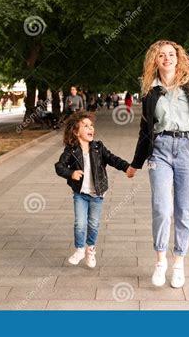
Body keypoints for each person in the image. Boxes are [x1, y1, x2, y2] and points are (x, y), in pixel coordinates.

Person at [128, 40, 189, 288]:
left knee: (184, 211)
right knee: (161, 208)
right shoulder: (149, 91)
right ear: (154, 61)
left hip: (188, 150)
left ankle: (178, 264)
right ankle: (160, 262)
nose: (166, 58)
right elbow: (145, 130)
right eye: (161, 55)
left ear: (178, 58)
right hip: (160, 151)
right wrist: (136, 163)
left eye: (170, 54)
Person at [55, 112, 134, 268]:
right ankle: (79, 249)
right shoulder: (71, 151)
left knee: (93, 223)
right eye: (85, 126)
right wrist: (71, 173)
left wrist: (126, 167)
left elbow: (112, 159)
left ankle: (90, 250)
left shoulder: (98, 147)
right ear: (76, 132)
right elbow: (59, 167)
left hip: (97, 194)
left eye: (91, 125)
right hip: (80, 194)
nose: (90, 128)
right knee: (79, 223)